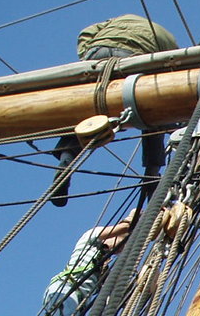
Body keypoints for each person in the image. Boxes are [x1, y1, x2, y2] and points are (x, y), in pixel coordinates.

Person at [50, 15, 178, 206]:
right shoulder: (170, 40)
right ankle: (152, 173)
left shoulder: (116, 20)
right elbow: (170, 70)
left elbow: (86, 32)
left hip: (97, 53)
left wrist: (87, 56)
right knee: (151, 113)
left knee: (86, 108)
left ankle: (66, 160)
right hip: (135, 56)